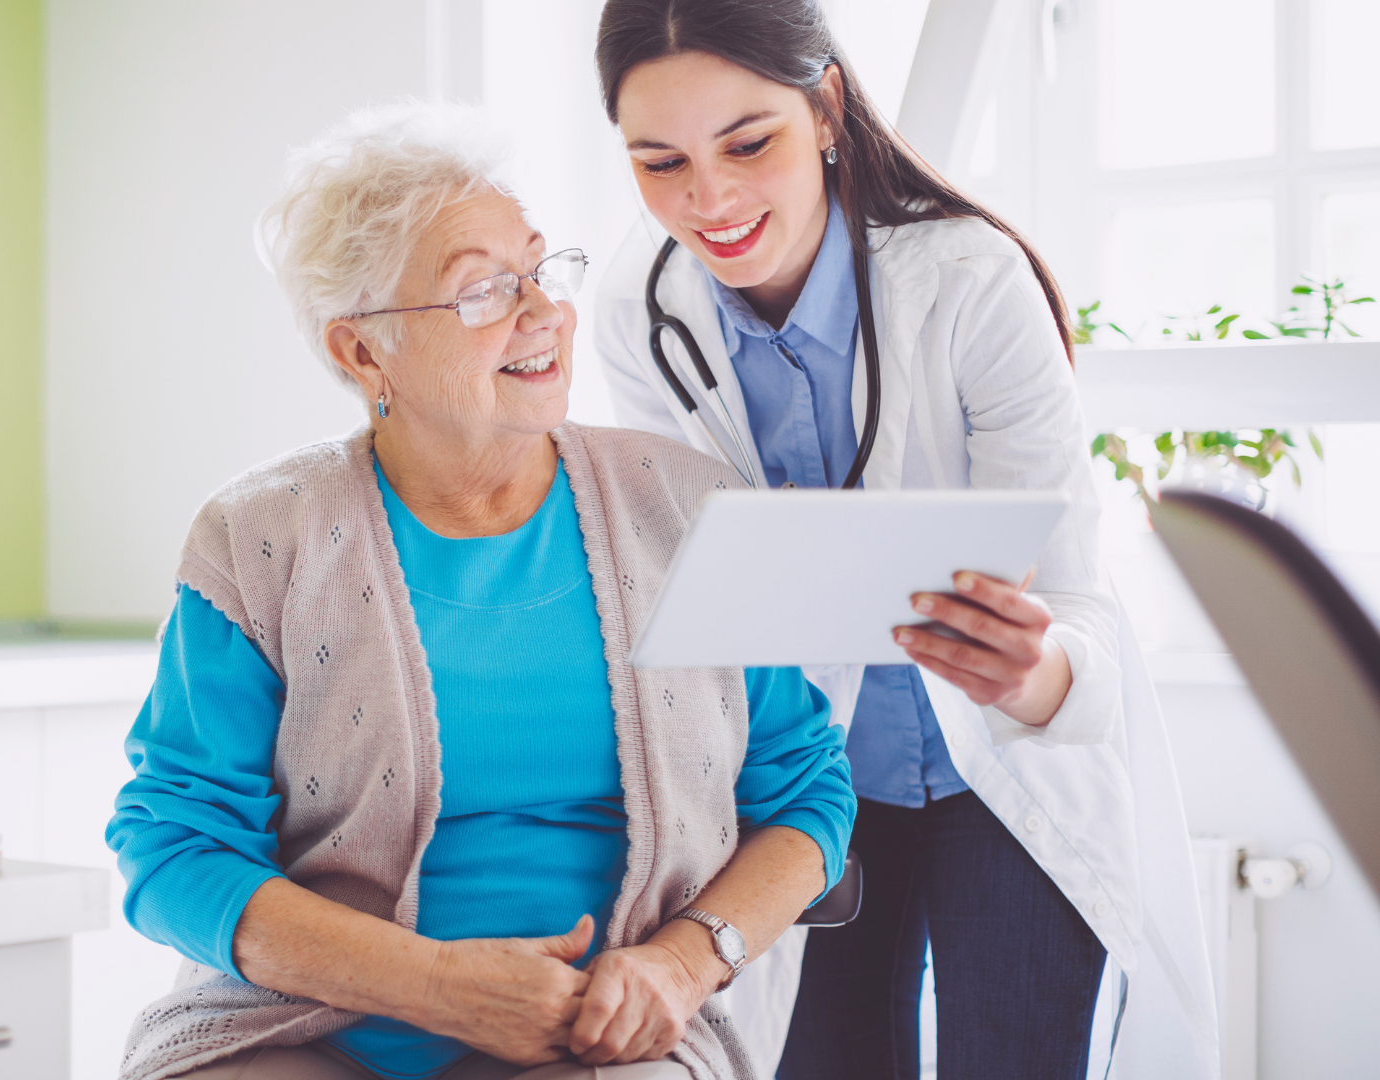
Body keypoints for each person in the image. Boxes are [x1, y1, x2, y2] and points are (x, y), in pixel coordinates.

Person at [105, 101, 856, 1080]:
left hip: (599, 1036)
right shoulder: (258, 541)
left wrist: (681, 962)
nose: (543, 312)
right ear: (362, 351)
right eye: (483, 292)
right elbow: (173, 846)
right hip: (302, 1028)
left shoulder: (688, 510)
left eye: (541, 270)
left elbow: (806, 796)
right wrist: (431, 985)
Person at [589, 3, 1220, 1078]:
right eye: (660, 163)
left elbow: (1075, 604)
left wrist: (1032, 675)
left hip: (1007, 787)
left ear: (826, 104)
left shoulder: (971, 282)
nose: (711, 201)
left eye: (750, 144)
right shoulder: (639, 303)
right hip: (803, 792)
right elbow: (686, 575)